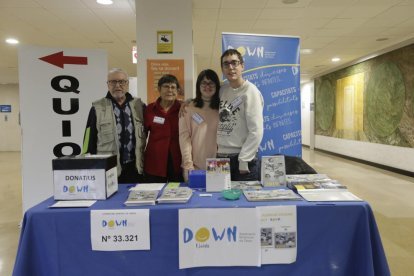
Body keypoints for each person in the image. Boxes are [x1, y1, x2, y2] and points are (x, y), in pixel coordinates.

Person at [82, 68, 146, 183]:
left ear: (127, 84)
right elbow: (88, 140)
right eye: (113, 82)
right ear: (107, 84)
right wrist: (88, 166)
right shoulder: (97, 107)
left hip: (135, 169)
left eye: (122, 82)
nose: (117, 85)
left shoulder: (139, 105)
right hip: (108, 169)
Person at [217, 49, 264, 181]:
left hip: (242, 159)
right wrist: (188, 103)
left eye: (234, 63)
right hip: (221, 157)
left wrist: (244, 159)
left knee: (244, 200)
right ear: (222, 68)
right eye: (226, 64)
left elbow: (256, 131)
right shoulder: (222, 90)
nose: (230, 67)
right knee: (220, 199)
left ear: (242, 66)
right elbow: (204, 96)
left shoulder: (251, 92)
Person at [179, 69, 220, 182]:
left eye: (211, 83)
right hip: (194, 166)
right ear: (198, 86)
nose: (207, 86)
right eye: (203, 83)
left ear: (217, 86)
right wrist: (188, 164)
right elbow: (184, 138)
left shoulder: (222, 109)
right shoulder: (188, 109)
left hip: (219, 165)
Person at [144, 74, 183, 183]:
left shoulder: (183, 109)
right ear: (159, 89)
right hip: (154, 162)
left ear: (177, 90)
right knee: (153, 194)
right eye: (166, 86)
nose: (169, 90)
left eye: (173, 87)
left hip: (177, 161)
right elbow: (142, 135)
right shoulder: (149, 109)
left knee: (176, 194)